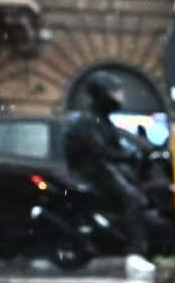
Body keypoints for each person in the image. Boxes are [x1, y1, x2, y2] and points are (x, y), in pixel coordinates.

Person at [62, 82, 154, 272]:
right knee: (133, 200)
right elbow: (101, 150)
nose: (118, 97)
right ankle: (136, 251)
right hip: (92, 171)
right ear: (102, 95)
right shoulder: (88, 121)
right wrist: (128, 156)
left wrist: (137, 152)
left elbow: (116, 147)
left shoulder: (104, 122)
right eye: (114, 92)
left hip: (101, 168)